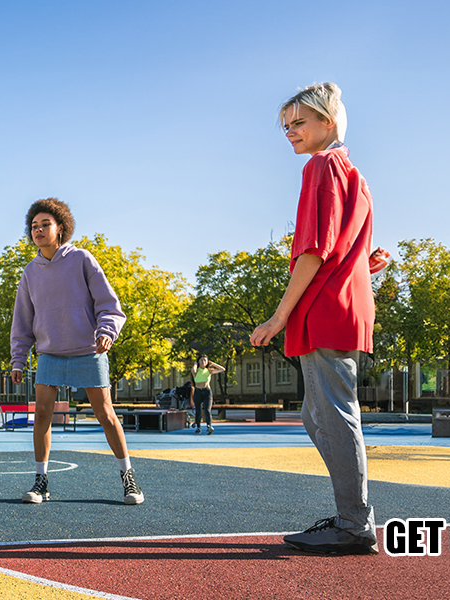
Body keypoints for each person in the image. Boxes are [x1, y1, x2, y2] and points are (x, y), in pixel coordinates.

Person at [249, 83, 390, 556]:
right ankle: (354, 515)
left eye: (300, 122)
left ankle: (354, 522)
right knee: (317, 415)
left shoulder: (321, 166)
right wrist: (365, 263)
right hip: (344, 302)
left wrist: (276, 317)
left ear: (328, 122)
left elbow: (312, 249)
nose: (290, 132)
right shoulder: (354, 174)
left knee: (332, 414)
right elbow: (345, 244)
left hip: (325, 307)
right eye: (286, 126)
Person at [10, 198, 143, 505]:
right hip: (50, 354)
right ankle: (40, 481)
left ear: (61, 228)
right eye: (34, 226)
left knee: (106, 415)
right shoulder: (30, 272)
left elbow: (108, 304)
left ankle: (129, 478)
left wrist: (106, 332)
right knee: (42, 413)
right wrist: (19, 358)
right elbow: (22, 321)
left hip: (88, 350)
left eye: (46, 224)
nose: (39, 230)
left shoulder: (82, 259)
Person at [190, 355, 225, 434]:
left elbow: (223, 369)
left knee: (207, 410)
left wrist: (213, 364)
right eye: (201, 360)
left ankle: (209, 426)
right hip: (198, 392)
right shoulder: (196, 370)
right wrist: (195, 364)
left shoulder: (209, 371)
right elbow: (193, 370)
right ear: (198, 361)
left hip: (207, 392)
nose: (203, 362)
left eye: (205, 360)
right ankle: (198, 427)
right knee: (198, 410)